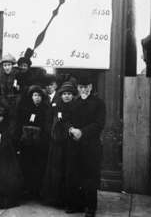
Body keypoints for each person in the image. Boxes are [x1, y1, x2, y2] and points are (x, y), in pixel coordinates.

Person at [64, 76, 105, 216]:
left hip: (91, 146)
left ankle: (90, 208)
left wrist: (82, 132)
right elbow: (66, 119)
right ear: (77, 88)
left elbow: (99, 124)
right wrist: (71, 129)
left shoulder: (98, 103)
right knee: (73, 175)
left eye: (86, 87)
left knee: (90, 177)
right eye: (81, 87)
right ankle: (75, 204)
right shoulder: (73, 102)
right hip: (74, 144)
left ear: (91, 87)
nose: (83, 90)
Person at [41, 81, 76, 207]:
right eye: (64, 94)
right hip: (56, 144)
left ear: (73, 95)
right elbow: (48, 122)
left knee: (69, 171)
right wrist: (52, 133)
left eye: (69, 94)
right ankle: (55, 199)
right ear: (60, 95)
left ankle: (68, 200)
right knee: (56, 170)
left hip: (70, 144)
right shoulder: (55, 106)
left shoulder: (76, 108)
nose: (66, 96)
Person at [17, 85, 50, 200]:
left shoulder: (46, 108)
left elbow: (47, 126)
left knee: (39, 167)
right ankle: (27, 191)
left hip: (40, 143)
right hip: (27, 143)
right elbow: (20, 123)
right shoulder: (25, 108)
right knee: (27, 166)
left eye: (39, 96)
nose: (37, 98)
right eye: (35, 95)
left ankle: (37, 191)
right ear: (31, 96)